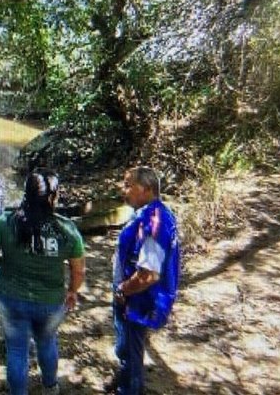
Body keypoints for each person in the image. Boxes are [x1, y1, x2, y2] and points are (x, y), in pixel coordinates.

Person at [0, 169, 85, 395]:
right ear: (52, 197)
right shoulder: (67, 229)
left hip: (11, 299)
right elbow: (78, 270)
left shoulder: (5, 220)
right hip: (50, 301)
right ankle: (50, 387)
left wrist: (0, 260)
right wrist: (72, 291)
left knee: (17, 350)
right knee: (47, 342)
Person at [110, 166, 180, 395]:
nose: (124, 190)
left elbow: (148, 275)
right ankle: (124, 379)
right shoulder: (151, 213)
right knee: (126, 345)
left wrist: (122, 290)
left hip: (138, 299)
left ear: (147, 189)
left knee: (131, 350)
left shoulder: (155, 223)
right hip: (134, 296)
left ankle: (130, 388)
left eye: (129, 185)